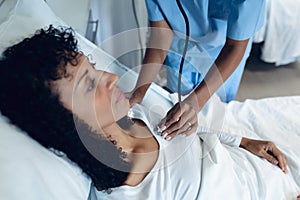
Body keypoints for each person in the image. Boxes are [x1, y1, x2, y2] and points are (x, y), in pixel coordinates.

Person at [0, 26, 298, 199]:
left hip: (262, 166)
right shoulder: (136, 191)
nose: (111, 77)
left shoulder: (134, 115)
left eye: (93, 68)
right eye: (90, 85)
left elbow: (194, 135)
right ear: (64, 124)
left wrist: (244, 142)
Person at [127, 0, 266, 141]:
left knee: (216, 115)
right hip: (182, 45)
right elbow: (160, 35)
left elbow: (235, 47)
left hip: (224, 52)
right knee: (178, 108)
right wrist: (139, 92)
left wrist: (196, 101)